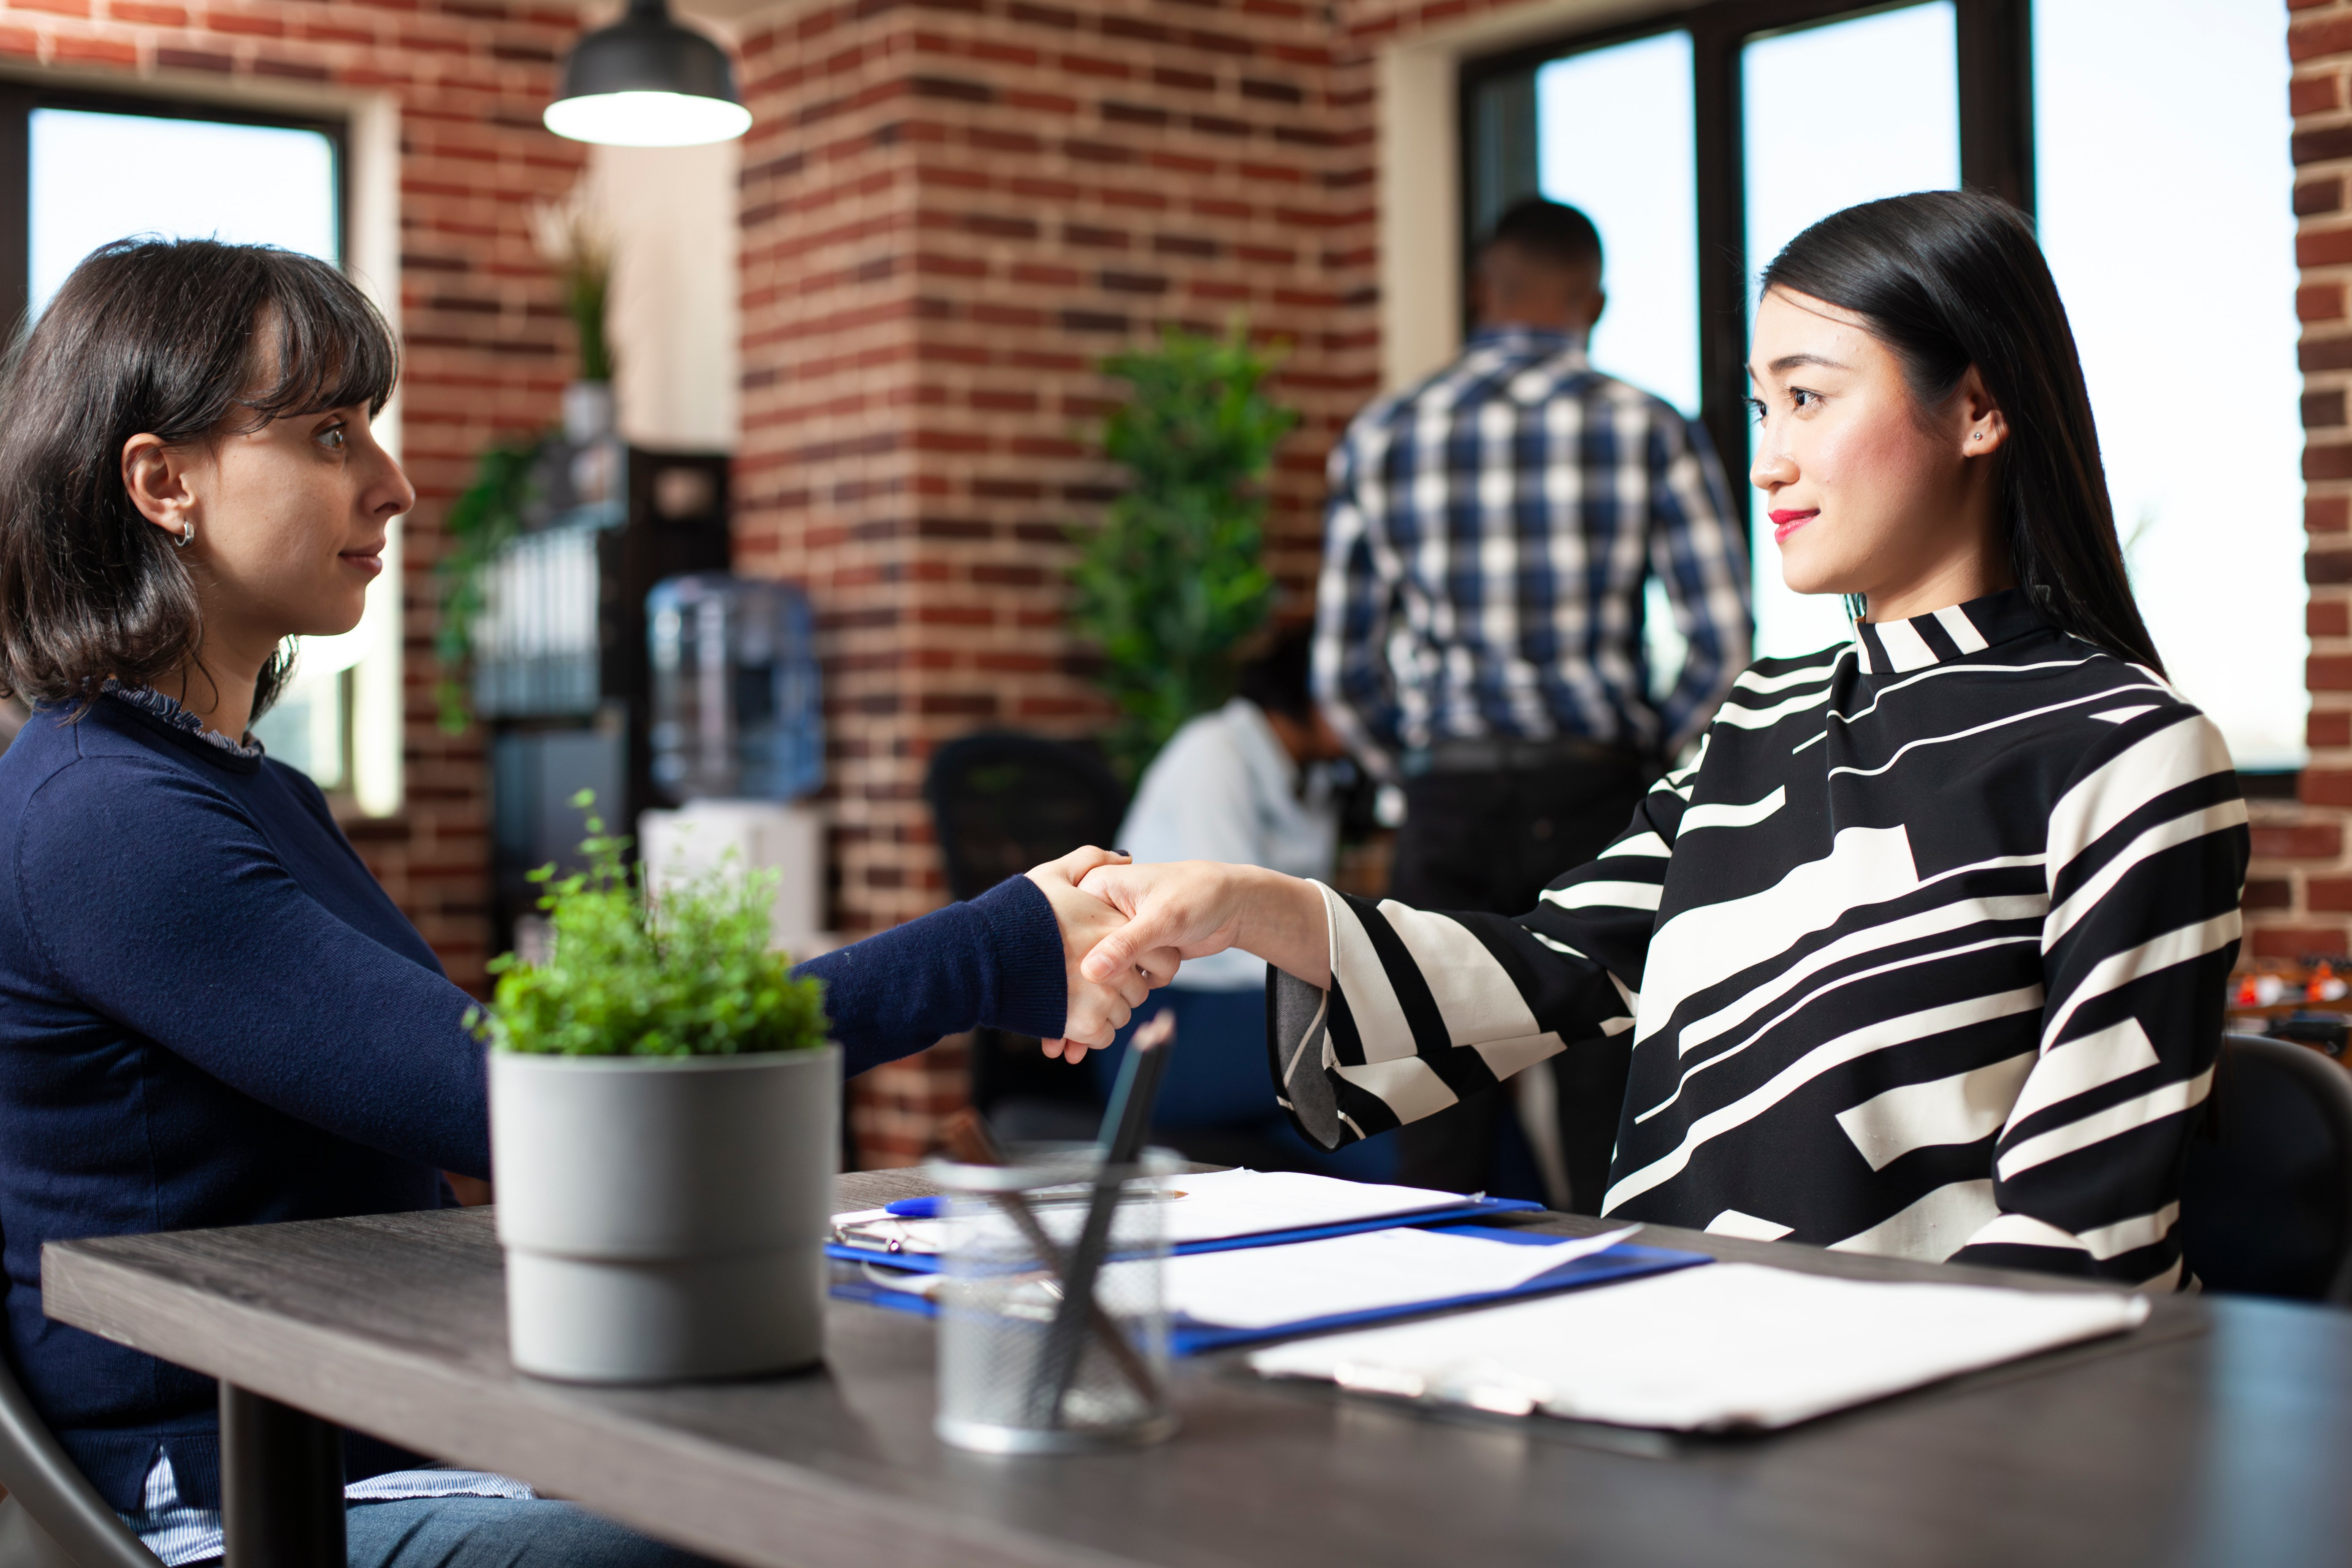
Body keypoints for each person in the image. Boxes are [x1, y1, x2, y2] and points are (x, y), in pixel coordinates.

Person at [0, 239, 1162, 1568]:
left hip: (385, 1424)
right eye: (331, 434)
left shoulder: (236, 788)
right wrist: (993, 946)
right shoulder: (104, 818)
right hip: (238, 1501)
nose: (394, 483)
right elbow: (528, 1105)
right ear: (164, 483)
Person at [1068, 190, 2250, 1287]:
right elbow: (1543, 966)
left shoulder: (2127, 755)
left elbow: (2079, 1243)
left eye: (1808, 396)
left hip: (1923, 1440)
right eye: (1757, 404)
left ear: (1980, 407)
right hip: (1670, 1368)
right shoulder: (1756, 719)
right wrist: (1245, 904)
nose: (1768, 457)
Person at [1313, 197, 1752, 1203]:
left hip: (1448, 799)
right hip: (1596, 797)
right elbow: (1720, 637)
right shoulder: (1647, 426)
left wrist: (1413, 765)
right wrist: (1646, 751)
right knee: (1612, 1098)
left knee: (1430, 1091)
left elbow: (1344, 670)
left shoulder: (1384, 433)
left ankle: (1434, 1336)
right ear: (1590, 302)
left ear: (1483, 291)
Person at [1083, 629, 1391, 1177]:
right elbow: (1230, 925)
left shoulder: (1316, 781)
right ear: (1314, 693)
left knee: (1380, 1143)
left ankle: (1535, 1236)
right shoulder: (1214, 753)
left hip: (1259, 1013)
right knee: (1385, 1037)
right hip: (1172, 1019)